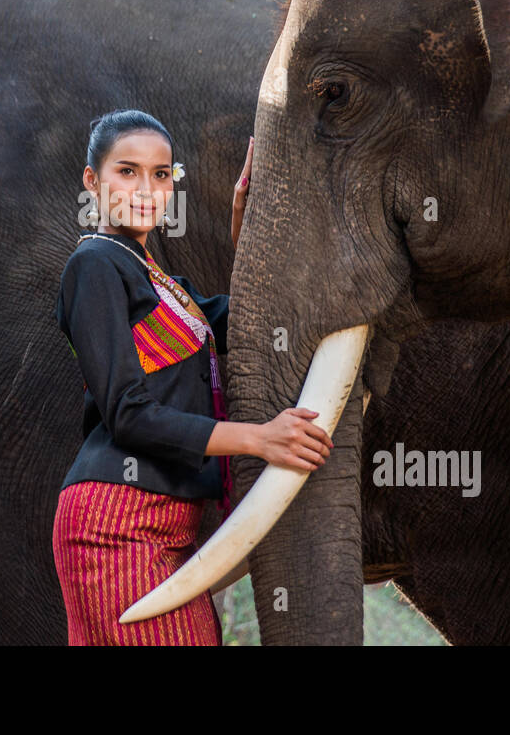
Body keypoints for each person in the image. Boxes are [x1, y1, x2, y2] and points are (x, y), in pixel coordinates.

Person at [51, 109, 333, 645]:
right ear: (92, 180)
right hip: (116, 526)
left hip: (166, 527)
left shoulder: (162, 283)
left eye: (161, 175)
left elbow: (251, 320)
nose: (145, 189)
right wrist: (259, 439)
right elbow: (128, 414)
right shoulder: (94, 266)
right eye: (126, 171)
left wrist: (247, 231)